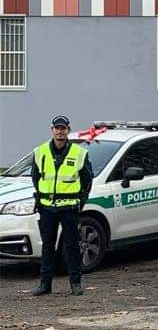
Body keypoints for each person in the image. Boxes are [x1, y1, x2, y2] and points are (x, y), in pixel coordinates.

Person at [30, 116, 93, 296]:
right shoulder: (40, 152)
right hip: (47, 207)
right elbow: (35, 178)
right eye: (57, 128)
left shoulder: (79, 153)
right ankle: (45, 284)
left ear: (68, 130)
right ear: (52, 130)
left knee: (72, 245)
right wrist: (44, 197)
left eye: (63, 128)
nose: (60, 131)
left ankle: (75, 283)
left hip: (69, 207)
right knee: (48, 245)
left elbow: (87, 180)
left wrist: (81, 201)